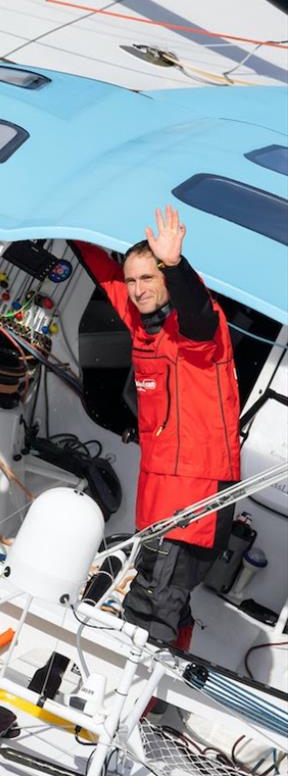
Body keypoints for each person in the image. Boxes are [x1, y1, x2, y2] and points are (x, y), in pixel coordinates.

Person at [75, 206, 240, 648]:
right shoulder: (140, 323)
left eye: (148, 278)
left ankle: (131, 706)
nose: (137, 289)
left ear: (166, 278)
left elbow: (199, 312)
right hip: (159, 489)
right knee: (160, 590)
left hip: (196, 492)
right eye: (132, 280)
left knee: (152, 603)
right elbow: (101, 271)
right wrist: (68, 217)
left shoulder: (199, 332)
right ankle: (160, 702)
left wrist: (175, 263)